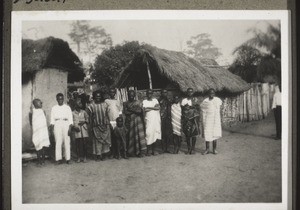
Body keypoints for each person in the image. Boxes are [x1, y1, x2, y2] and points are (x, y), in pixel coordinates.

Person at [87, 90, 111, 161]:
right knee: (97, 142)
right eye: (96, 96)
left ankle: (103, 154)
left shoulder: (105, 105)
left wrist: (108, 123)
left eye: (99, 96)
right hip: (96, 126)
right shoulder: (91, 106)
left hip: (104, 125)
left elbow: (107, 115)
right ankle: (98, 155)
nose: (98, 97)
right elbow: (89, 116)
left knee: (104, 140)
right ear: (94, 97)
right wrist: (90, 126)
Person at [50, 93, 73, 164]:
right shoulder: (54, 108)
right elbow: (52, 120)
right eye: (59, 99)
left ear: (63, 99)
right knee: (58, 142)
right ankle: (58, 159)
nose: (60, 100)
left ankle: (68, 159)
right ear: (56, 99)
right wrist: (51, 129)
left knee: (67, 141)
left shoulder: (67, 107)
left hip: (65, 123)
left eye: (62, 99)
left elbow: (70, 119)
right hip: (57, 124)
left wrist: (70, 128)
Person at [123, 90, 147, 157]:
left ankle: (139, 152)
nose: (131, 96)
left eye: (132, 95)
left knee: (138, 136)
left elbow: (139, 111)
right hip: (129, 121)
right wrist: (134, 111)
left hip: (137, 121)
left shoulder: (138, 102)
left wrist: (130, 110)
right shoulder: (125, 103)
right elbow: (125, 112)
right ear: (127, 95)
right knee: (130, 136)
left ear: (134, 95)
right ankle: (131, 152)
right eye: (130, 95)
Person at [200, 89, 222, 155]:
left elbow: (219, 109)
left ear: (214, 94)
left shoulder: (217, 100)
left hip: (215, 119)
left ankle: (214, 149)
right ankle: (207, 149)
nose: (211, 94)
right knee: (207, 133)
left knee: (214, 134)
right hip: (208, 119)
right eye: (210, 93)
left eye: (213, 93)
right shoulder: (205, 101)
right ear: (208, 94)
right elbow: (202, 109)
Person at [29, 98, 50, 165]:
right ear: (35, 104)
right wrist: (37, 128)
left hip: (43, 131)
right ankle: (39, 161)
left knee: (43, 145)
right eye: (40, 103)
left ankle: (43, 160)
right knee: (37, 145)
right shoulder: (32, 112)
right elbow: (31, 122)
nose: (41, 104)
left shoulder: (43, 111)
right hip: (36, 131)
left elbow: (44, 121)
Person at [181, 88, 200, 155]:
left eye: (191, 92)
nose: (190, 93)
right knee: (187, 135)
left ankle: (193, 148)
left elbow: (198, 109)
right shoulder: (184, 100)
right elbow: (183, 110)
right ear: (187, 93)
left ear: (193, 93)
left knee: (194, 134)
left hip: (194, 119)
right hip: (186, 119)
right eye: (189, 92)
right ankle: (189, 148)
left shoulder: (195, 100)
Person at [105, 88, 122, 158]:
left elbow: (120, 112)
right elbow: (105, 112)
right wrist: (108, 121)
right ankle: (112, 153)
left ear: (115, 93)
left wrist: (120, 122)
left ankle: (118, 153)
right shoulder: (106, 101)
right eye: (110, 92)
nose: (112, 94)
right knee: (111, 138)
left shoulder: (117, 101)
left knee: (117, 137)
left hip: (117, 122)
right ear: (109, 93)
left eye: (113, 92)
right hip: (110, 122)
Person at [142, 89, 161, 156]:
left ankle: (154, 150)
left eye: (150, 93)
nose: (149, 95)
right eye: (148, 93)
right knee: (148, 133)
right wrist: (153, 108)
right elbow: (145, 109)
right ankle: (149, 150)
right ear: (146, 94)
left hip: (156, 120)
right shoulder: (144, 101)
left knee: (155, 134)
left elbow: (158, 108)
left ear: (152, 94)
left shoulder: (155, 100)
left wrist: (149, 108)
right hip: (149, 120)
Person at [72, 98, 89, 163]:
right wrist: (74, 126)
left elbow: (88, 119)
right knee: (77, 144)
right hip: (77, 129)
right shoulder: (73, 113)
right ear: (76, 105)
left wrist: (84, 122)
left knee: (84, 144)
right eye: (79, 103)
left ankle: (84, 157)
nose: (81, 104)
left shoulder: (84, 112)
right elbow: (71, 121)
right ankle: (78, 157)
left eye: (81, 103)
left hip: (84, 129)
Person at [158, 89, 172, 153]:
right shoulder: (159, 100)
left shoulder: (169, 100)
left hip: (168, 119)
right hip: (162, 119)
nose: (164, 93)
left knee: (168, 134)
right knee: (162, 133)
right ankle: (163, 148)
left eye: (166, 92)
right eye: (163, 92)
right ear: (161, 93)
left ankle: (168, 148)